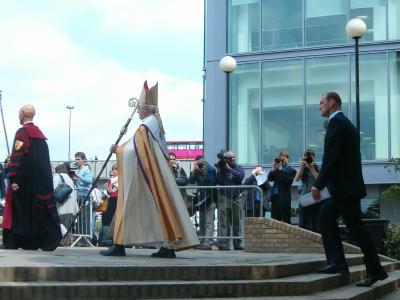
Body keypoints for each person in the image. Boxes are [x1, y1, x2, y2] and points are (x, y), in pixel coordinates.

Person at [100, 80, 199, 257]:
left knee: (129, 205)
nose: (137, 111)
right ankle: (166, 247)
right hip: (154, 175)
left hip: (142, 175)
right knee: (159, 207)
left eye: (139, 108)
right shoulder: (156, 125)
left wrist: (117, 150)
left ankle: (119, 246)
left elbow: (133, 150)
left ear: (146, 108)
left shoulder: (144, 127)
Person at [311, 92, 388, 287]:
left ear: (332, 103)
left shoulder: (337, 124)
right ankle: (337, 262)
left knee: (356, 229)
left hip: (345, 190)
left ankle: (375, 270)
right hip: (343, 189)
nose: (319, 106)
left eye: (322, 103)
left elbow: (331, 158)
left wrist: (318, 184)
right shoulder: (345, 124)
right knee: (326, 219)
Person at [2, 104, 61, 250]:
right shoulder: (40, 136)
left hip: (23, 183)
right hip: (40, 184)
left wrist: (13, 178)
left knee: (19, 211)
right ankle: (37, 242)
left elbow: (17, 156)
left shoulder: (22, 133)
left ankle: (14, 241)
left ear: (22, 115)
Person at [215, 150, 245, 251]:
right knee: (223, 221)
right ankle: (222, 244)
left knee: (237, 222)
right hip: (224, 197)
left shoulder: (239, 167)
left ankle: (237, 243)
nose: (231, 159)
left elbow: (240, 177)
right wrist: (219, 170)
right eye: (229, 157)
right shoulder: (222, 168)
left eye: (233, 157)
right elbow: (218, 180)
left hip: (236, 197)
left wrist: (230, 169)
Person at [189, 155, 217, 250]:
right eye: (198, 163)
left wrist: (203, 172)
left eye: (201, 163)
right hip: (201, 199)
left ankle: (208, 242)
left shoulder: (211, 169)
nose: (200, 165)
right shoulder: (196, 170)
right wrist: (194, 170)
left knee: (209, 222)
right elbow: (191, 181)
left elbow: (212, 182)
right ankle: (201, 241)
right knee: (202, 222)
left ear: (204, 161)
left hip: (210, 198)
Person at [294, 149, 320, 232]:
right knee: (302, 223)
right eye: (306, 157)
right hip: (304, 197)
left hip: (314, 197)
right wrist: (301, 167)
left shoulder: (316, 167)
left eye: (310, 157)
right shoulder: (303, 167)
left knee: (315, 223)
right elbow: (297, 179)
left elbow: (319, 180)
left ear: (314, 158)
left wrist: (311, 168)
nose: (308, 159)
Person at [53, 164, 79, 245]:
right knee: (64, 224)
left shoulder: (57, 176)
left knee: (56, 223)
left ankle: (67, 236)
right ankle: (64, 241)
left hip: (61, 205)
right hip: (70, 206)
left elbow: (53, 187)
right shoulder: (69, 178)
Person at [267, 151, 296, 224]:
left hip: (284, 198)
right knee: (274, 221)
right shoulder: (276, 169)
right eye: (281, 158)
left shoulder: (291, 170)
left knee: (285, 221)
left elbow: (288, 181)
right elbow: (270, 179)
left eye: (285, 158)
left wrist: (280, 169)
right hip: (275, 198)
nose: (283, 160)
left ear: (287, 158)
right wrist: (273, 167)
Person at [73, 152, 93, 239]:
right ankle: (80, 236)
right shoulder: (78, 170)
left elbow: (89, 181)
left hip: (86, 196)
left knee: (85, 217)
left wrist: (79, 176)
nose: (77, 161)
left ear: (83, 160)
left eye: (78, 159)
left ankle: (85, 239)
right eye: (76, 159)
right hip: (79, 196)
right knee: (80, 217)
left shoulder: (86, 169)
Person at [99, 164, 119, 246]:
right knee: (109, 217)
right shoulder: (111, 180)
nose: (113, 170)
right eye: (113, 169)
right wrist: (111, 183)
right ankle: (107, 239)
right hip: (112, 199)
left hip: (119, 199)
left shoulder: (122, 179)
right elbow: (109, 191)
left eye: (116, 169)